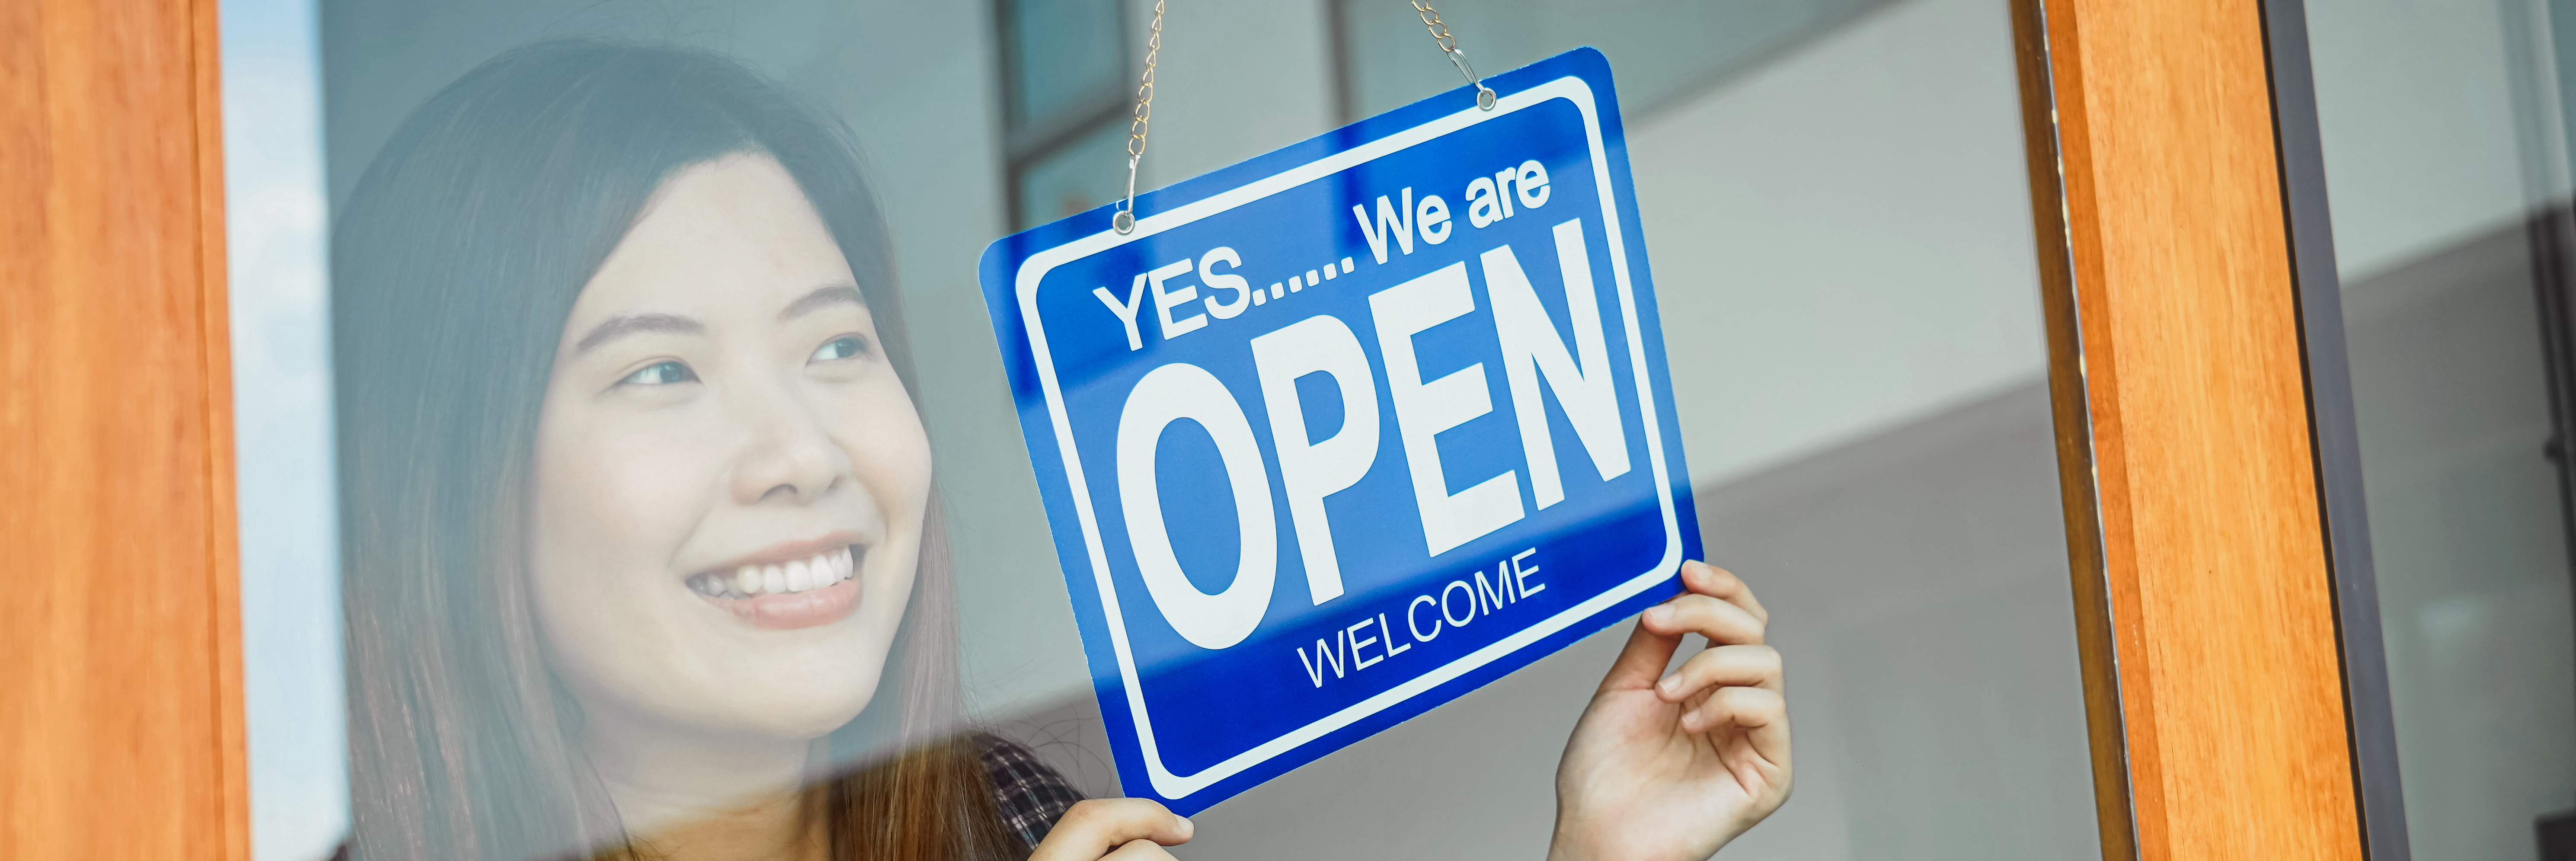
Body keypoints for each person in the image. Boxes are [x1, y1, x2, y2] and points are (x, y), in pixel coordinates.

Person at [331, 39, 1789, 861]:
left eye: (836, 344)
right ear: (458, 486)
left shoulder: (1011, 819)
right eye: (660, 369)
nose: (798, 450)